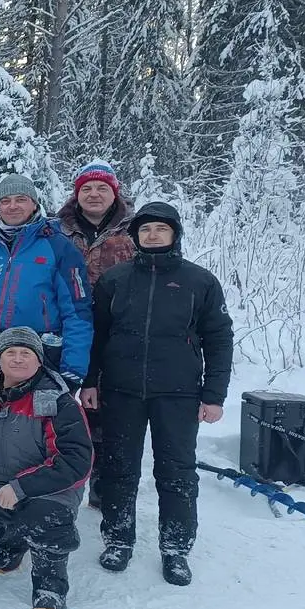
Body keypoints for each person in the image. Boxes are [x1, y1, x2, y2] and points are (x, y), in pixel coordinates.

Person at [85, 202, 233, 586]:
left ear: (174, 234)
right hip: (121, 390)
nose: (152, 235)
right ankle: (118, 539)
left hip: (178, 393)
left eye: (161, 229)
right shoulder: (115, 279)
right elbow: (96, 336)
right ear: (135, 236)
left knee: (177, 472)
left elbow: (219, 339)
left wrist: (214, 395)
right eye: (146, 229)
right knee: (119, 468)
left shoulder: (199, 281)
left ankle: (176, 548)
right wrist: (89, 381)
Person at [0, 328, 92, 609]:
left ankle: (50, 587)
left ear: (39, 360)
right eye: (10, 353)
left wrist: (21, 487)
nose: (17, 359)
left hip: (49, 487)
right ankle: (14, 541)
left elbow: (76, 460)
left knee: (45, 518)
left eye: (25, 353)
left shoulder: (58, 402)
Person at [0, 173, 93, 393]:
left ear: (34, 203)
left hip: (36, 354)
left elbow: (77, 312)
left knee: (32, 416)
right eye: (5, 201)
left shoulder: (59, 247)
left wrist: (73, 368)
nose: (12, 206)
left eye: (21, 199)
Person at [57, 160, 135, 508]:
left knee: (105, 410)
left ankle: (103, 487)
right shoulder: (57, 230)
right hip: (64, 329)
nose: (94, 194)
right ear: (76, 194)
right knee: (59, 406)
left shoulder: (134, 231)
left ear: (115, 193)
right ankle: (57, 477)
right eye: (86, 188)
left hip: (115, 334)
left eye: (102, 188)